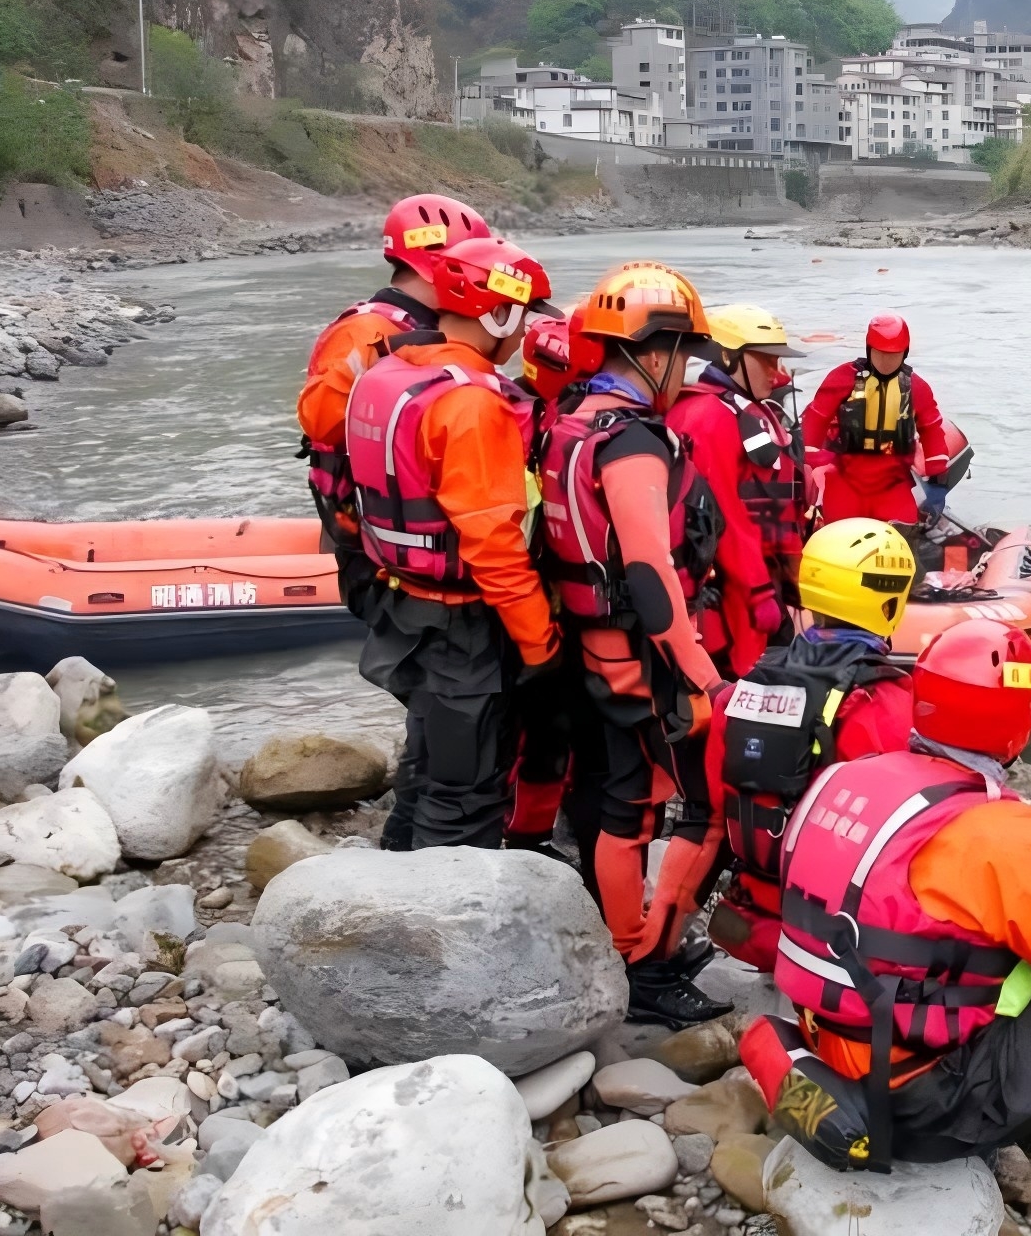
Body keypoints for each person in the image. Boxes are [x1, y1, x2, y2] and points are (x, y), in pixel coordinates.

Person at [742, 619, 1031, 1236]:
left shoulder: (840, 779)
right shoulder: (996, 829)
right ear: (1018, 716)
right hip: (918, 1102)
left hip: (825, 1051)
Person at [534, 261, 733, 1027]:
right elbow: (652, 573)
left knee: (620, 799)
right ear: (653, 353)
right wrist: (703, 677)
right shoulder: (633, 442)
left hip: (590, 645)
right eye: (685, 355)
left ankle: (633, 946)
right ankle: (646, 962)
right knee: (692, 809)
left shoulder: (572, 417)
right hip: (642, 658)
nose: (689, 372)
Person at [345, 232, 558, 852]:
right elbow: (494, 544)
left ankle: (395, 870)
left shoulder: (384, 373)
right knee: (468, 792)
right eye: (519, 319)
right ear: (498, 312)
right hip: (461, 627)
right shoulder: (471, 405)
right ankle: (445, 926)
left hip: (400, 602)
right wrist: (539, 644)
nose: (522, 337)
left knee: (428, 760)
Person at [703, 517, 917, 971]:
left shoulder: (745, 688)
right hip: (835, 933)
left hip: (751, 911)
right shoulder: (887, 703)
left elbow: (712, 817)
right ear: (890, 599)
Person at [297, 194, 490, 612]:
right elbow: (319, 423)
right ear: (438, 261)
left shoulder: (437, 325)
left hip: (417, 522)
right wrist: (377, 355)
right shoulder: (367, 330)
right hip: (378, 533)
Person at [668, 303, 807, 677]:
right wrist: (760, 590)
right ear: (729, 358)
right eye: (765, 360)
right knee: (744, 680)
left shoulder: (744, 411)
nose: (776, 373)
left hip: (762, 578)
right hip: (735, 591)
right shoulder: (710, 418)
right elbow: (726, 516)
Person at [802, 312, 950, 529]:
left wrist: (938, 479)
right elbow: (816, 417)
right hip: (846, 478)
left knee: (904, 538)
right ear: (869, 350)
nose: (886, 361)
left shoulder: (917, 388)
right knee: (840, 539)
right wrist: (810, 457)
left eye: (894, 355)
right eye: (880, 354)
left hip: (892, 483)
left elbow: (931, 429)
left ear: (905, 353)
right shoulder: (842, 378)